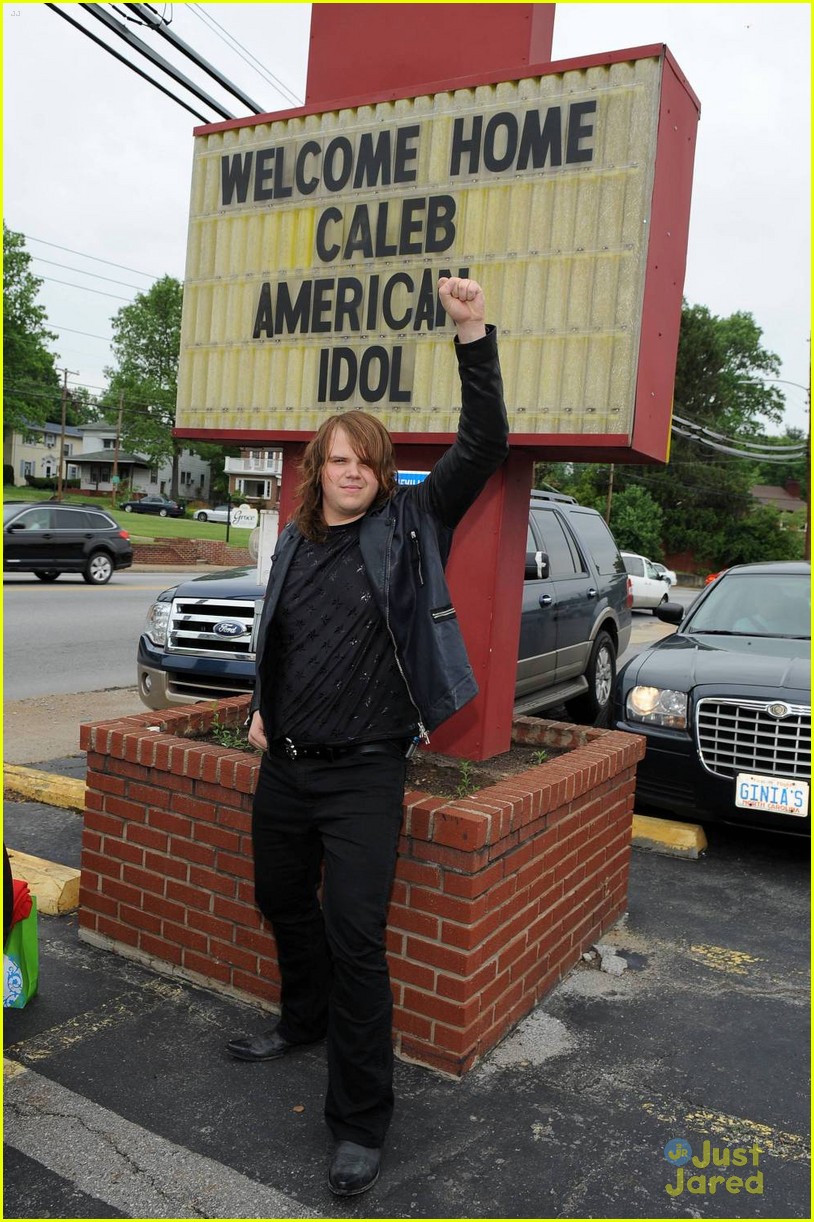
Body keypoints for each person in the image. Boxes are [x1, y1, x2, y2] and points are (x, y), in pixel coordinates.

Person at [226, 276, 509, 1197]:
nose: (349, 473)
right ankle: (300, 1018)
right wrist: (262, 707)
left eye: (365, 462)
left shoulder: (412, 526)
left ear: (384, 473)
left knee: (357, 937)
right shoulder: (297, 541)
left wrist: (470, 331)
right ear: (317, 467)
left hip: (365, 775)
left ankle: (359, 1122)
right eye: (336, 460)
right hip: (289, 766)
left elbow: (484, 444)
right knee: (280, 896)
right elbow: (279, 633)